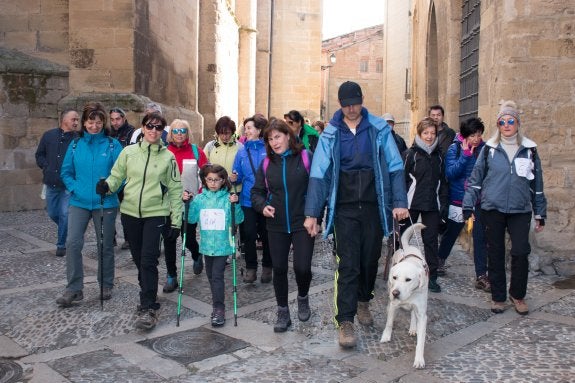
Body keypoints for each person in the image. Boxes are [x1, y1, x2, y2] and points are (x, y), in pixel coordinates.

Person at [303, 81, 409, 348]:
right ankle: (346, 320)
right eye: (346, 104)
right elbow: (319, 174)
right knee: (348, 263)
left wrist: (399, 201)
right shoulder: (330, 133)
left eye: (355, 103)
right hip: (345, 208)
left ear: (362, 101)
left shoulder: (379, 128)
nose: (351, 109)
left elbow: (395, 166)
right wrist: (312, 213)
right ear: (341, 105)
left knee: (370, 259)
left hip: (374, 205)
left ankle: (364, 300)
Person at [97, 112, 183, 330]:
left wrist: (176, 221)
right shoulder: (128, 152)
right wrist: (107, 186)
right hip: (130, 213)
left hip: (156, 213)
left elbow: (175, 190)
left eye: (158, 127)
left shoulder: (168, 157)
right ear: (143, 128)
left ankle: (149, 306)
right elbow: (117, 176)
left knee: (148, 259)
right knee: (138, 259)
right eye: (149, 126)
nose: (153, 131)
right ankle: (146, 291)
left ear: (163, 131)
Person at [463, 101, 546, 315]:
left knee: (520, 252)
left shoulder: (530, 149)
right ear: (498, 125)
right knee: (496, 253)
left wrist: (540, 213)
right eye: (502, 122)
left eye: (511, 121)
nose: (507, 125)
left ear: (518, 123)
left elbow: (537, 184)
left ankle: (517, 295)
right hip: (493, 208)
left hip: (520, 209)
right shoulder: (489, 148)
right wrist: (468, 205)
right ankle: (498, 297)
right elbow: (476, 179)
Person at [251, 118, 316, 333]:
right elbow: (257, 192)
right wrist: (262, 207)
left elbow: (317, 189)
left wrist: (314, 216)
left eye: (277, 137)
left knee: (302, 267)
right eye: (270, 139)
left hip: (302, 221)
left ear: (288, 135)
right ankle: (282, 311)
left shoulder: (305, 157)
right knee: (279, 268)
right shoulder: (267, 163)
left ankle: (303, 296)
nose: (274, 142)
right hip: (276, 223)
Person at [57, 102, 123, 306]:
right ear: (83, 123)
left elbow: (123, 174)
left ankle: (106, 283)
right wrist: (75, 188)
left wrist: (112, 187)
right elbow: (66, 172)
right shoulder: (76, 145)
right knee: (73, 243)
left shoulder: (113, 145)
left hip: (106, 203)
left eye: (98, 122)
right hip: (79, 202)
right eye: (90, 122)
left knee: (105, 245)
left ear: (104, 123)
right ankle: (74, 288)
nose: (94, 126)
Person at [186, 164, 244, 327]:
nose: (212, 183)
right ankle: (217, 303)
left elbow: (238, 219)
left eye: (216, 180)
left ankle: (218, 308)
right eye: (209, 179)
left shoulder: (226, 199)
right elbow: (191, 219)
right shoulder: (200, 199)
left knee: (217, 276)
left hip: (223, 245)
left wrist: (235, 204)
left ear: (223, 181)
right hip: (206, 245)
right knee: (211, 276)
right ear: (204, 180)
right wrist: (187, 203)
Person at [437, 117, 489, 292]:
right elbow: (450, 173)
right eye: (473, 135)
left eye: (479, 134)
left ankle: (481, 275)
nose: (476, 138)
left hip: (478, 200)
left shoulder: (485, 149)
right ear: (466, 135)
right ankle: (440, 259)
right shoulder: (455, 149)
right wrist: (466, 155)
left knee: (480, 237)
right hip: (458, 199)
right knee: (452, 232)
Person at [401, 117, 449, 293]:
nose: (429, 136)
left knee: (430, 242)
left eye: (432, 133)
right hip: (411, 204)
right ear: (419, 134)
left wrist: (444, 204)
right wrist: (400, 203)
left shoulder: (439, 156)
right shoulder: (410, 154)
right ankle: (400, 272)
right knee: (403, 238)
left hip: (431, 205)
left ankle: (432, 277)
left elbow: (443, 182)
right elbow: (401, 179)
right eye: (426, 133)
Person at [162, 119, 208, 293]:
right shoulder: (165, 152)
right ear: (171, 134)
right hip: (169, 204)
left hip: (190, 203)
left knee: (188, 238)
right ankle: (171, 276)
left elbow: (207, 175)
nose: (179, 134)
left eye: (183, 130)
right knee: (169, 239)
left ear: (187, 133)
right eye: (176, 131)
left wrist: (201, 194)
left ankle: (196, 255)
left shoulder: (197, 151)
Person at [230, 115, 272, 284]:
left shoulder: (269, 149)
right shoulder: (241, 151)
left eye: (249, 128)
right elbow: (238, 176)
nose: (246, 131)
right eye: (245, 128)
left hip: (266, 200)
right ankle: (251, 268)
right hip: (247, 199)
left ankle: (268, 266)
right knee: (248, 234)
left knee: (267, 234)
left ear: (259, 130)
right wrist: (234, 178)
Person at [35, 109, 79, 257]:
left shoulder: (78, 139)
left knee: (65, 214)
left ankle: (61, 245)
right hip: (50, 183)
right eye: (73, 119)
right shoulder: (48, 136)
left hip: (68, 185)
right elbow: (39, 154)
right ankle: (67, 229)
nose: (76, 122)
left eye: (77, 120)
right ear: (64, 120)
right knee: (53, 213)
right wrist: (46, 166)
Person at [109, 107, 136, 250]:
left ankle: (129, 238)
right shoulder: (109, 133)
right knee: (109, 208)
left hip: (126, 178)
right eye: (112, 119)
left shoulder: (131, 132)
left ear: (123, 119)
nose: (115, 122)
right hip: (112, 175)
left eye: (117, 119)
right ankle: (111, 236)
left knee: (126, 210)